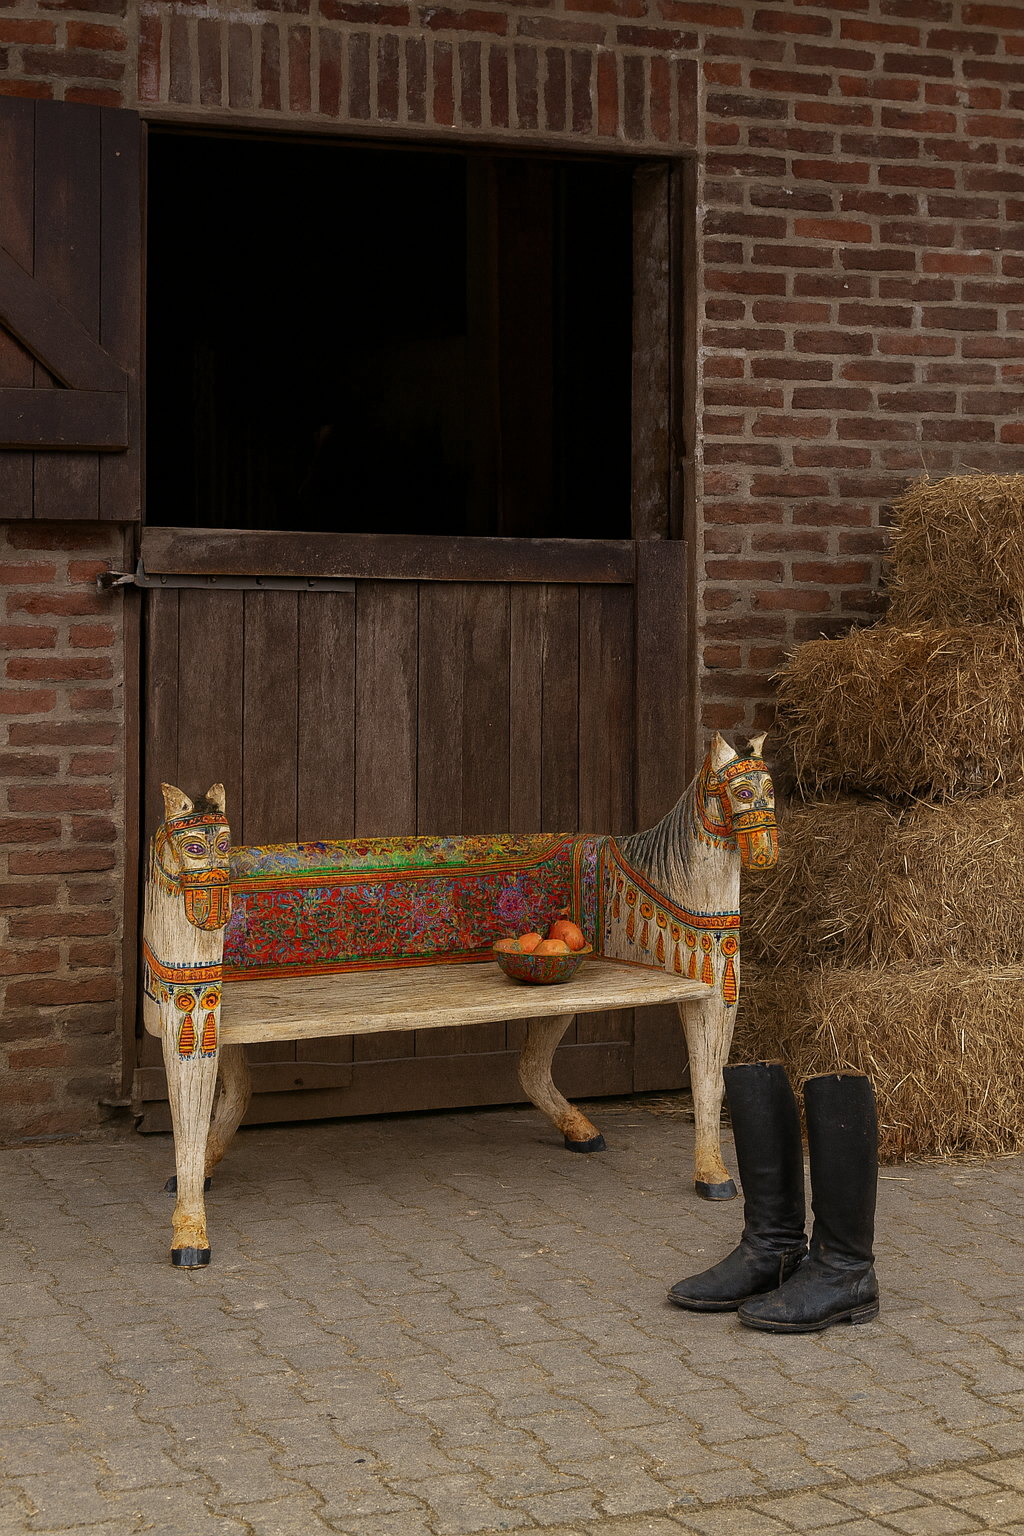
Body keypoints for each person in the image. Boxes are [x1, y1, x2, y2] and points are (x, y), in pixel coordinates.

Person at [668, 1062, 879, 1334]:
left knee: (836, 1086)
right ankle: (772, 1248)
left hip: (844, 1272)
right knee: (756, 1075)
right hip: (771, 1251)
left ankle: (844, 1270)